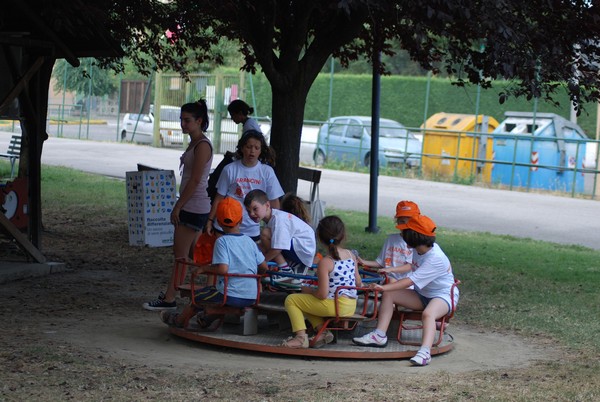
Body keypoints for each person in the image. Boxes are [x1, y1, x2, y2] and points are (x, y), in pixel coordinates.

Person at [352, 214, 459, 367]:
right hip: (422, 295)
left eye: (405, 232)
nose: (402, 235)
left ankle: (425, 352)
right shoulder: (418, 250)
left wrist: (382, 287)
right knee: (389, 295)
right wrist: (386, 285)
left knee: (428, 314)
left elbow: (409, 281)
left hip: (443, 296)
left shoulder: (435, 258)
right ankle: (379, 335)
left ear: (414, 236)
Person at [143, 100, 213, 311]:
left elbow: (195, 180)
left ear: (199, 121)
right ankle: (206, 292)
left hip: (193, 205)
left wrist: (178, 206)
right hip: (193, 205)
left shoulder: (202, 145)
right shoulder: (194, 142)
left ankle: (170, 298)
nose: (182, 124)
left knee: (180, 257)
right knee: (196, 256)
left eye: (187, 120)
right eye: (181, 120)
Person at [160, 197, 268, 328]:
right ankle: (207, 319)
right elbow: (263, 267)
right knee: (215, 292)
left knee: (198, 296)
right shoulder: (250, 242)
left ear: (219, 222)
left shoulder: (222, 241)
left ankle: (179, 320)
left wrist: (203, 269)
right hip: (252, 295)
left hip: (230, 294)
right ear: (241, 220)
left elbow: (223, 269)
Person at [280, 216, 362, 349]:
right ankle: (322, 332)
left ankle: (301, 338)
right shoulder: (351, 255)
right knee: (307, 302)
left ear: (318, 237)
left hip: (335, 305)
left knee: (292, 300)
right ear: (343, 235)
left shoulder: (326, 262)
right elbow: (358, 283)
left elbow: (322, 294)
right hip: (350, 305)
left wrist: (308, 290)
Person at [206, 130, 284, 241]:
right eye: (249, 147)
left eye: (257, 148)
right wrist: (210, 220)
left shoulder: (267, 172)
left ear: (261, 151)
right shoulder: (229, 169)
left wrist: (276, 226)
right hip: (225, 225)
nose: (252, 151)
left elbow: (274, 202)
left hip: (251, 229)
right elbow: (219, 197)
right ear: (242, 148)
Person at [244, 189, 316, 276]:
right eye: (248, 211)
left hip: (303, 250)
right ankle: (286, 266)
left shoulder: (279, 219)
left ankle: (285, 269)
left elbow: (277, 248)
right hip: (299, 249)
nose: (251, 214)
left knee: (266, 234)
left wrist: (262, 263)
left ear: (267, 205)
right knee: (259, 247)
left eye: (255, 209)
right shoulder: (273, 219)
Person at [357, 200, 420, 283]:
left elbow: (410, 266)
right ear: (397, 221)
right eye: (402, 221)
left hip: (407, 283)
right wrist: (363, 262)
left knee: (390, 281)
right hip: (387, 278)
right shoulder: (391, 239)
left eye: (410, 221)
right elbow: (380, 262)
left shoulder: (417, 242)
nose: (406, 225)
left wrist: (391, 269)